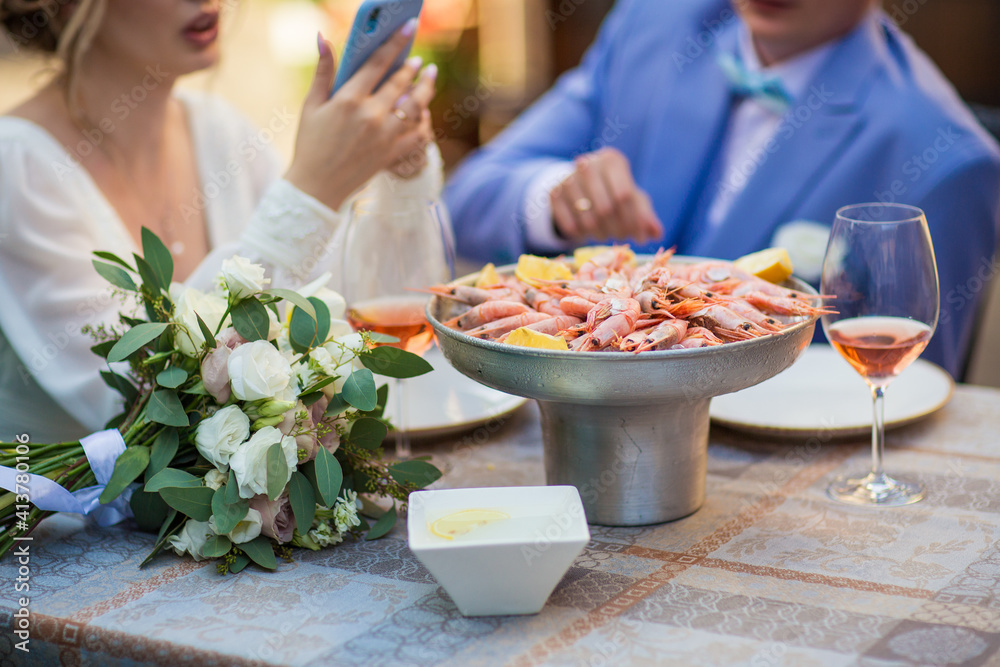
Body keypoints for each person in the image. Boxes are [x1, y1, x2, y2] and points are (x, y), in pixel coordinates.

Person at [444, 0, 1000, 378]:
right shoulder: (651, 25)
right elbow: (465, 198)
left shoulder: (948, 161)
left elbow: (907, 399)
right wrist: (557, 198)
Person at [0, 0, 442, 441]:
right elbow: (145, 404)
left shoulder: (220, 131)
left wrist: (396, 166)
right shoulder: (16, 168)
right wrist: (311, 191)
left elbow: (342, 300)